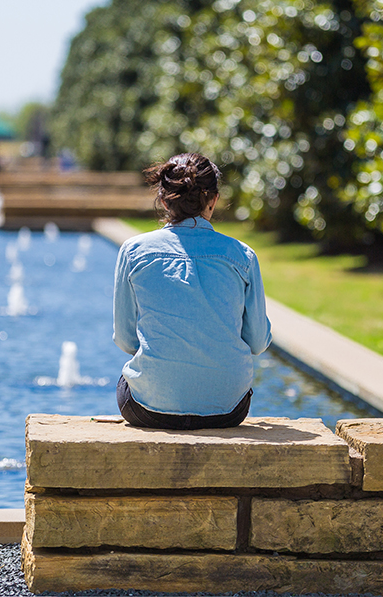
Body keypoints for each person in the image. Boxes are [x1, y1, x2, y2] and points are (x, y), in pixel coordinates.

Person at [113, 152, 272, 430]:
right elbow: (257, 342)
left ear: (164, 201)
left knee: (126, 382)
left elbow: (127, 342)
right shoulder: (243, 256)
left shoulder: (134, 251)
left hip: (149, 409)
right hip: (228, 410)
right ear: (213, 200)